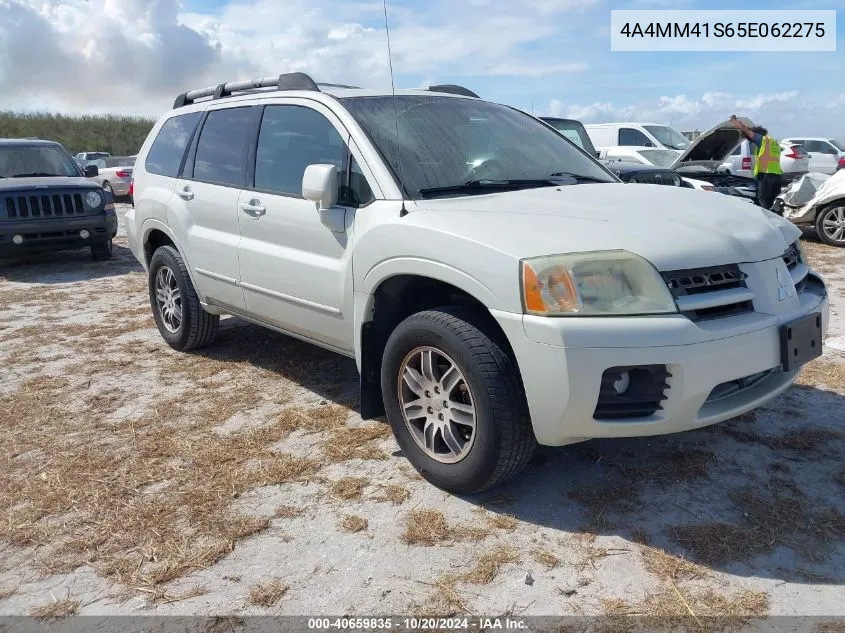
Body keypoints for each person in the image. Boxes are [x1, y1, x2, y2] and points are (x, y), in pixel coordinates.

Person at [730, 115, 783, 211]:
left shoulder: (761, 139)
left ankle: (766, 221)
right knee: (773, 200)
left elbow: (745, 130)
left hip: (766, 175)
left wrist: (735, 121)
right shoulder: (774, 142)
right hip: (777, 175)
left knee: (763, 199)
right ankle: (777, 219)